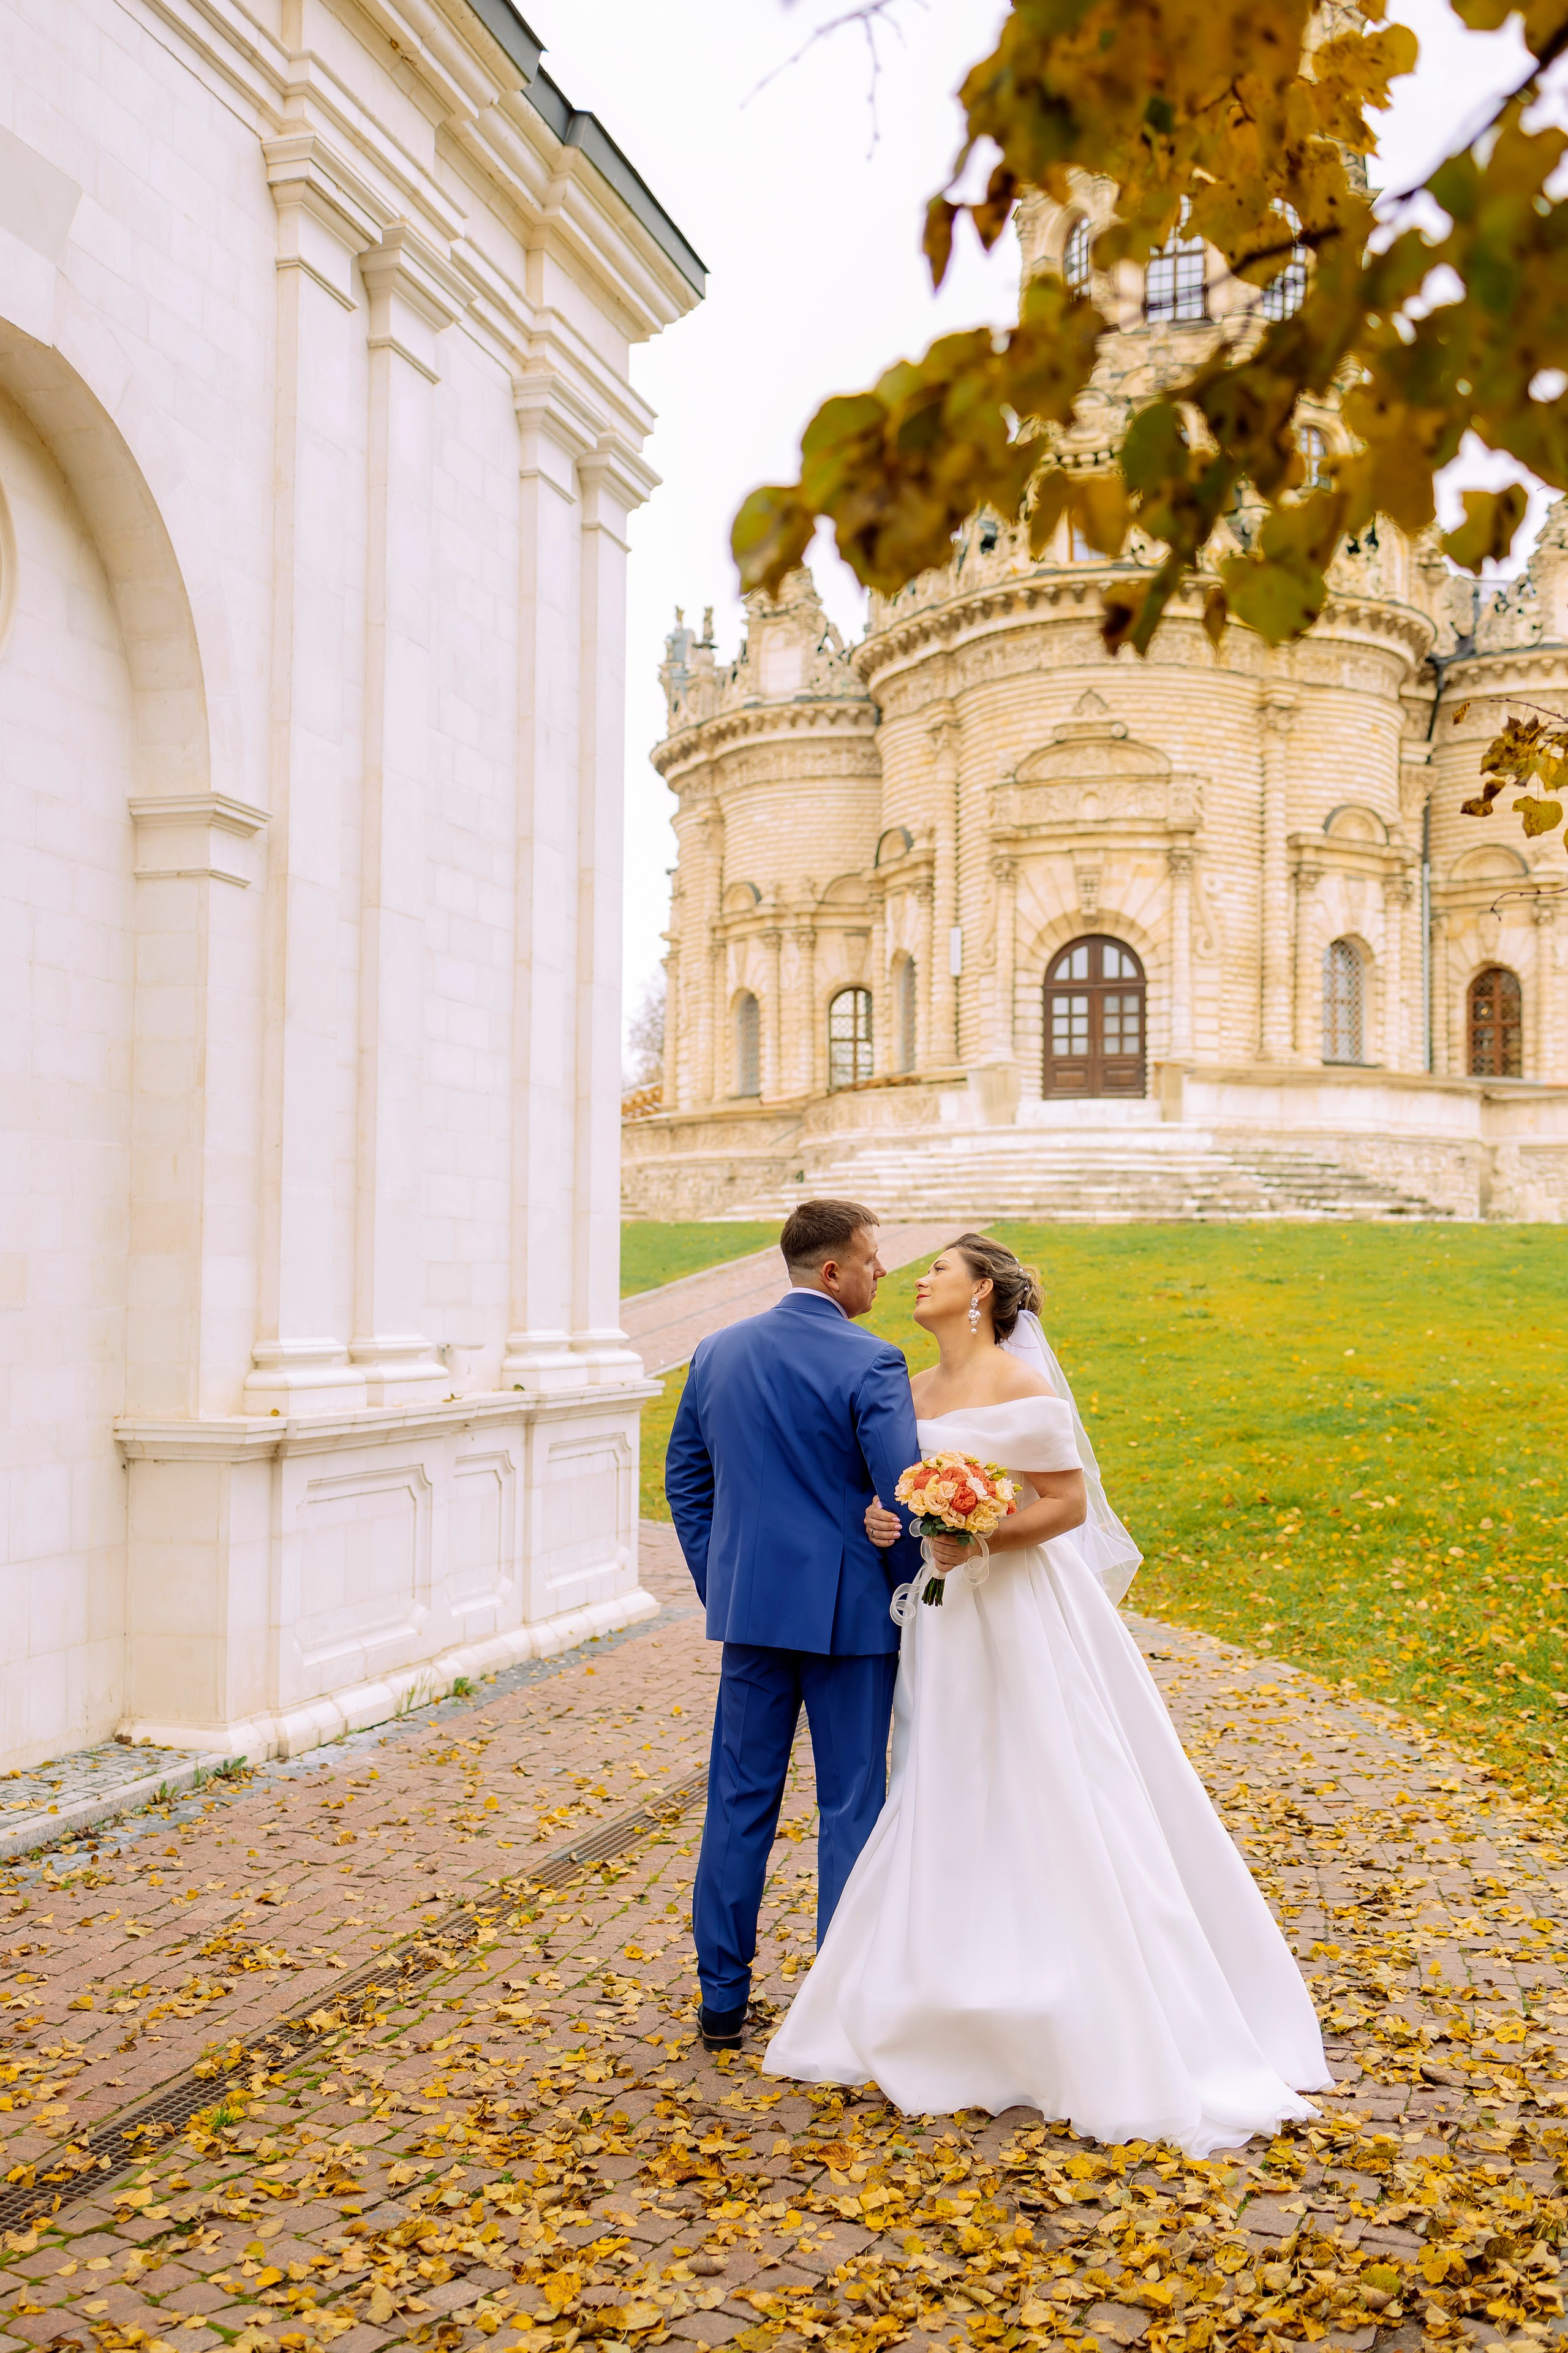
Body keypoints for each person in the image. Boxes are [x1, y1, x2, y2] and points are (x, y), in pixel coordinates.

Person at [763, 1233, 1330, 2156]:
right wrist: (893, 1521)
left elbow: (1062, 1501)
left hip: (1020, 1608)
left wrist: (981, 1537)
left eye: (938, 1270)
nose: (920, 1279)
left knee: (1046, 1774)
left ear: (979, 1291)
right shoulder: (909, 1389)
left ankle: (1077, 1997)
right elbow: (903, 1501)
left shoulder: (1025, 1388)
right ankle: (935, 1992)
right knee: (942, 1779)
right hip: (945, 1617)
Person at [665, 1199, 921, 2052]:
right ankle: (837, 2006)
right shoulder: (874, 1361)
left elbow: (686, 1484)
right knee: (852, 1803)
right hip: (852, 1624)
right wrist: (903, 1595)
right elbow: (905, 1501)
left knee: (738, 1802)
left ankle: (722, 2004)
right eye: (874, 1258)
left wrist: (723, 1582)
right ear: (834, 1270)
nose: (884, 1272)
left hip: (752, 1618)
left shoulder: (716, 1352)